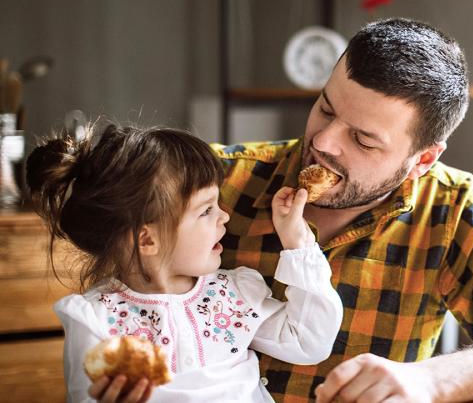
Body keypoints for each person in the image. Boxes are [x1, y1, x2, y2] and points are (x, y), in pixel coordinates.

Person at [212, 18, 473, 402]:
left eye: (362, 139)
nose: (324, 142)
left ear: (423, 159)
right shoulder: (211, 178)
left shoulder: (450, 209)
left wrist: (434, 379)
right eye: (326, 109)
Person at [25, 124, 343, 402]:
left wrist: (297, 240)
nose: (224, 217)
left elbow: (308, 342)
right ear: (147, 240)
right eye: (206, 210)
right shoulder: (96, 321)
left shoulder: (233, 295)